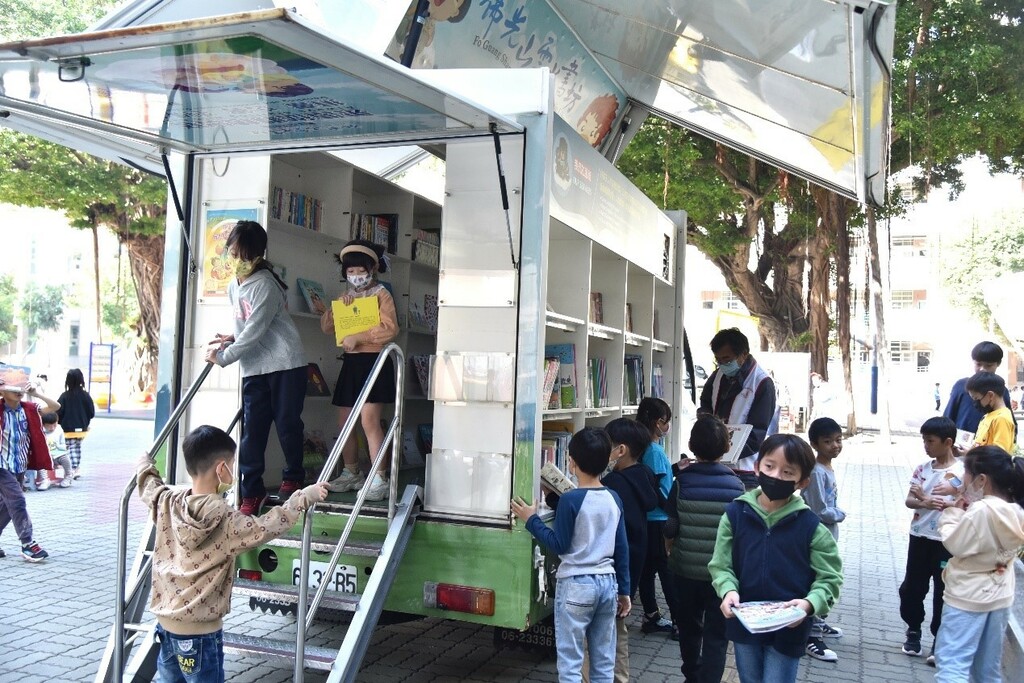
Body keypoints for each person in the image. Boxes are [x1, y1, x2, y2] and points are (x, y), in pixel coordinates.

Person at [137, 425, 328, 683]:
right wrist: (302, 498)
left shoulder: (167, 503)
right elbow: (266, 526)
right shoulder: (226, 521)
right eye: (232, 463)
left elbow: (150, 486)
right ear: (221, 469)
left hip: (166, 627)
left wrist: (145, 463)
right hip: (201, 636)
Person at [708, 433, 843, 683]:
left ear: (802, 482)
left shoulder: (812, 527)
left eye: (788, 472)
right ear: (757, 467)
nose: (776, 476)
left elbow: (830, 579)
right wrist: (728, 590)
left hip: (789, 626)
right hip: (744, 621)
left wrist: (808, 605)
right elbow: (721, 565)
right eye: (770, 466)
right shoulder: (735, 514)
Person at [512, 427, 631, 683]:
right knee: (603, 662)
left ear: (572, 462)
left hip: (577, 585)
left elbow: (560, 545)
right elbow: (621, 548)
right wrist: (625, 591)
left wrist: (531, 520)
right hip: (607, 585)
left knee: (570, 663)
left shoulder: (571, 500)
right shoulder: (614, 498)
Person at [206, 220, 308, 516]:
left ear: (259, 255)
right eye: (234, 254)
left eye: (245, 256)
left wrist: (224, 356)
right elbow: (248, 328)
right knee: (253, 431)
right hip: (255, 368)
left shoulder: (265, 284)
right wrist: (232, 338)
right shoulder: (233, 286)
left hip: (286, 365)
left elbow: (256, 330)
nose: (237, 261)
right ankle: (251, 490)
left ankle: (293, 477)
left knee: (288, 423)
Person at [664, 415, 744, 683]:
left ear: (692, 445)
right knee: (718, 634)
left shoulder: (681, 483)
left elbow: (670, 527)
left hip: (685, 571)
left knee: (688, 628)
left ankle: (692, 675)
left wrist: (670, 549)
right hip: (721, 578)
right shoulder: (736, 485)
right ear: (725, 448)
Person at [316, 240, 399, 502]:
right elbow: (328, 329)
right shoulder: (346, 296)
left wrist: (360, 336)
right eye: (350, 272)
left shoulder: (382, 294)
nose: (355, 276)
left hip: (373, 362)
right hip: (351, 364)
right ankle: (351, 472)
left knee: (369, 421)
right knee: (344, 423)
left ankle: (379, 477)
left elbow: (390, 328)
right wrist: (337, 308)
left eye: (359, 270)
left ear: (373, 268)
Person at [933, 446, 1024, 682]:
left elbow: (956, 543)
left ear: (981, 479)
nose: (962, 479)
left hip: (968, 597)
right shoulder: (1015, 510)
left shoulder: (982, 510)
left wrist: (952, 514)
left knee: (952, 664)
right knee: (987, 670)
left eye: (965, 472)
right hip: (1000, 596)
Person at [589, 418, 657, 683]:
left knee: (605, 630)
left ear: (621, 450)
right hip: (633, 560)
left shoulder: (615, 482)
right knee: (618, 627)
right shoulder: (645, 475)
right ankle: (620, 677)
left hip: (612, 565)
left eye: (608, 446)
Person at [898, 416, 962, 663]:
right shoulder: (922, 469)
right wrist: (924, 502)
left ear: (948, 442)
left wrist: (943, 503)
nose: (926, 445)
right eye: (924, 440)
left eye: (930, 441)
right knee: (912, 587)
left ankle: (939, 639)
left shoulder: (961, 472)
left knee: (943, 590)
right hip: (920, 536)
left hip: (948, 541)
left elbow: (966, 502)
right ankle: (913, 629)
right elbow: (910, 500)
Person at [800, 417, 847, 663]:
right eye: (828, 442)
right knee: (820, 579)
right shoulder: (817, 472)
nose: (835, 445)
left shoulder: (826, 467)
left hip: (828, 534)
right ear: (815, 444)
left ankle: (819, 622)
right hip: (818, 534)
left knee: (826, 577)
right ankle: (812, 635)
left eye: (838, 440)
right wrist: (839, 514)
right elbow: (819, 509)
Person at [699, 328, 776, 471]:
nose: (722, 364)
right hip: (713, 462)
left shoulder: (762, 383)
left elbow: (757, 432)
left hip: (743, 467)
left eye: (727, 359)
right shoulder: (717, 376)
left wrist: (725, 452)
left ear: (743, 355)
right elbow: (705, 404)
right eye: (718, 360)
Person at [0, 380, 57, 561]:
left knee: (8, 506)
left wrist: (36, 392)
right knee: (17, 501)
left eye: (20, 387)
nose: (19, 391)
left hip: (19, 466)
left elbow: (55, 406)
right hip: (1, 466)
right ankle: (28, 544)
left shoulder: (29, 409)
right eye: (13, 388)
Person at [636, 397, 678, 637]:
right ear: (654, 422)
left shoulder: (642, 448)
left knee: (647, 570)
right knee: (666, 571)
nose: (666, 427)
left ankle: (650, 614)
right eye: (664, 421)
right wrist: (673, 511)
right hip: (660, 519)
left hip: (647, 519)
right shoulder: (653, 450)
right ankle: (678, 619)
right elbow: (660, 487)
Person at [943, 341, 1014, 438]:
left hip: (988, 448)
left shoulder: (1002, 390)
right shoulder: (961, 386)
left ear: (998, 364)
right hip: (960, 445)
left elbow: (1008, 421)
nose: (982, 369)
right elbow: (948, 417)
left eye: (988, 365)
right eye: (978, 364)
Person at [56, 368, 95, 479]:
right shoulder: (85, 396)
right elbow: (91, 412)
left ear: (67, 381)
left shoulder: (64, 396)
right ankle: (75, 468)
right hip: (82, 428)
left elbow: (58, 411)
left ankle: (71, 468)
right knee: (76, 447)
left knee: (68, 447)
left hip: (67, 428)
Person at [965, 371, 1015, 452]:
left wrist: (972, 455)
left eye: (976, 399)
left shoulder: (1001, 419)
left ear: (990, 395)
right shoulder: (988, 416)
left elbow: (998, 456)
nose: (975, 403)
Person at [41, 412, 73, 488]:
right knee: (40, 462)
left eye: (54, 425)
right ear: (43, 424)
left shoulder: (59, 429)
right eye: (49, 426)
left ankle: (69, 475)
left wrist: (64, 447)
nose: (52, 428)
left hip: (58, 454)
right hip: (46, 455)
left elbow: (62, 443)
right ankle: (44, 480)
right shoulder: (40, 430)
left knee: (65, 458)